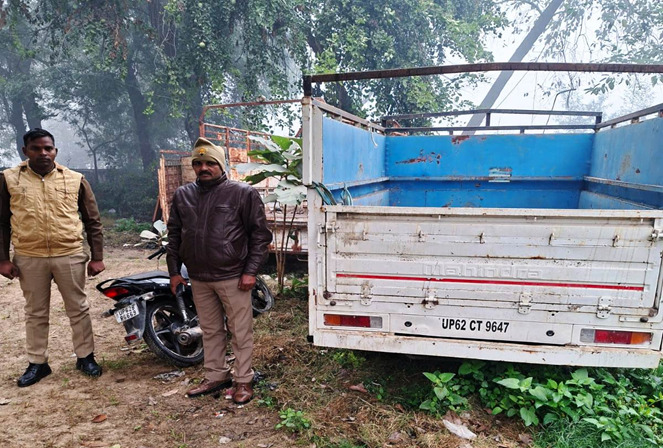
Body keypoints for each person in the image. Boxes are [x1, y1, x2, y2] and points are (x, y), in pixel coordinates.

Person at [166, 137, 272, 404]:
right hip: (198, 277)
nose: (203, 168)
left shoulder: (242, 193)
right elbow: (174, 235)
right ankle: (216, 375)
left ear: (221, 165)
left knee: (240, 331)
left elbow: (260, 236)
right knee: (210, 329)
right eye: (198, 163)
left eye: (210, 163)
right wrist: (174, 272)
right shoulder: (183, 195)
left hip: (233, 276)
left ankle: (243, 379)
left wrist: (250, 271)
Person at [0, 128, 105, 387]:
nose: (43, 153)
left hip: (69, 254)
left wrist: (97, 256)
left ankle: (86, 357)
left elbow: (92, 221)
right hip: (29, 256)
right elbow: (1, 223)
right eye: (36, 148)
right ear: (25, 151)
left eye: (48, 148)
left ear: (55, 150)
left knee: (78, 308)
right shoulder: (9, 179)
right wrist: (3, 259)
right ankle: (38, 363)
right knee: (35, 312)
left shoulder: (75, 179)